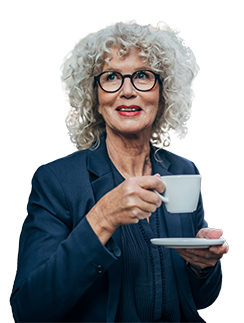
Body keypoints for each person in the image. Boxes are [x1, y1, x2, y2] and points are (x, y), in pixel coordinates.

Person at [10, 21, 229, 323]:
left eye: (142, 75)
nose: (127, 91)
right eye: (111, 77)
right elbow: (28, 310)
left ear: (162, 95)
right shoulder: (57, 182)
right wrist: (102, 219)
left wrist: (202, 264)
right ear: (95, 99)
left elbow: (202, 298)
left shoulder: (182, 171)